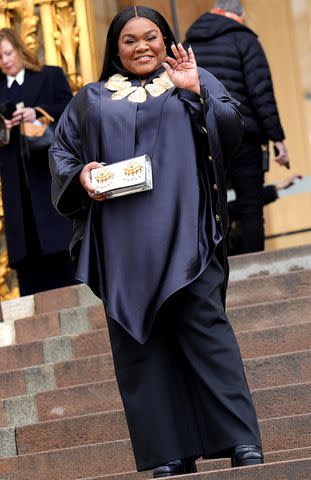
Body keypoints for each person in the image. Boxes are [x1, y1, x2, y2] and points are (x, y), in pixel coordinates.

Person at [49, 6, 263, 476]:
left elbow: (233, 129)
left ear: (167, 40)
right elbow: (62, 151)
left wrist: (196, 92)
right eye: (129, 40)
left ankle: (241, 440)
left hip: (189, 234)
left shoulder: (193, 76)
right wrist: (79, 173)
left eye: (151, 36)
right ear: (115, 48)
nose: (141, 46)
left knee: (209, 336)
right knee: (139, 347)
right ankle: (167, 452)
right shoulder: (90, 98)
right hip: (122, 247)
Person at [185, 0, 289, 254]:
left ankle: (220, 273)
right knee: (251, 207)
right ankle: (256, 273)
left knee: (211, 208)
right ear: (237, 16)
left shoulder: (189, 43)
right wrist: (277, 139)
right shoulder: (244, 39)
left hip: (203, 136)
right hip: (244, 134)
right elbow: (261, 92)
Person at [0, 28, 75, 296]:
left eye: (8, 53)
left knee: (57, 237)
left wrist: (36, 114)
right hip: (14, 179)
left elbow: (71, 112)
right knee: (26, 248)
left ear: (20, 49)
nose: (5, 61)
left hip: (47, 172)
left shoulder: (49, 75)